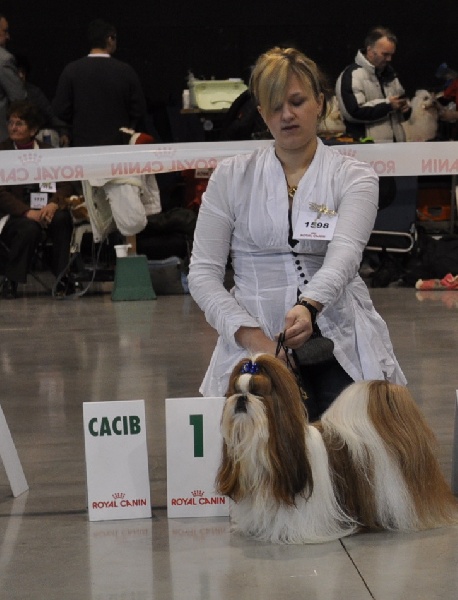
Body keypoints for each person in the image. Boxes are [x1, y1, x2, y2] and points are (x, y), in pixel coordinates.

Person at [188, 46, 406, 421]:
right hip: (250, 342)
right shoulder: (229, 176)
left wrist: (309, 307)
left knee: (353, 440)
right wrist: (255, 340)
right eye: (274, 106)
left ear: (319, 102)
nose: (286, 114)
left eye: (297, 101)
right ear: (261, 113)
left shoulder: (355, 177)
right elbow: (202, 274)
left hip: (337, 333)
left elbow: (345, 256)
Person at [0, 100, 74, 298]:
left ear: (33, 130)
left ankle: (62, 278)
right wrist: (27, 212)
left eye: (19, 123)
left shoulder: (48, 152)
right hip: (14, 214)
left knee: (62, 219)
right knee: (29, 227)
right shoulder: (2, 151)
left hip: (45, 210)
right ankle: (11, 280)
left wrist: (54, 203)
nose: (13, 128)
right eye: (11, 123)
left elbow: (66, 184)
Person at [52, 19, 146, 147]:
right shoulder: (125, 71)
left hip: (83, 143)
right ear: (109, 39)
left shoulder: (71, 70)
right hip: (118, 143)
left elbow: (60, 110)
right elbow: (139, 110)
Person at [335, 26, 410, 143]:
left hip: (396, 147)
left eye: (391, 55)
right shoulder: (352, 75)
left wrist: (405, 109)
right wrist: (389, 106)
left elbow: (402, 109)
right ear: (370, 51)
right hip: (366, 146)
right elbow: (352, 113)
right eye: (385, 54)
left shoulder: (391, 75)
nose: (389, 59)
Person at [15, 53, 70, 147]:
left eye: (23, 72)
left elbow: (51, 115)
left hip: (32, 137)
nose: (21, 76)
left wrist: (63, 132)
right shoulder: (3, 95)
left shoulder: (34, 92)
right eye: (17, 72)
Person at [0, 13, 26, 141]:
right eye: (4, 31)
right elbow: (18, 98)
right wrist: (20, 81)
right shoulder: (3, 59)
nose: (8, 36)